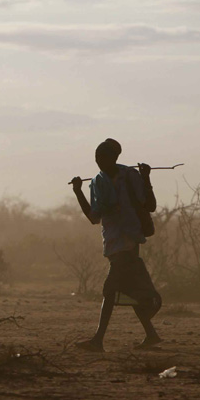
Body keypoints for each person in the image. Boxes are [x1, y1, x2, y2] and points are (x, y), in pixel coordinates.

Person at [70, 138, 162, 352]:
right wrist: (78, 192)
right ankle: (151, 334)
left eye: (104, 157)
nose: (100, 162)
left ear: (115, 157)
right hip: (112, 241)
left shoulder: (130, 177)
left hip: (128, 241)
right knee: (127, 290)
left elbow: (151, 205)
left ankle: (98, 340)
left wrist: (146, 178)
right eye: (97, 158)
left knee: (110, 290)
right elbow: (94, 217)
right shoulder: (97, 182)